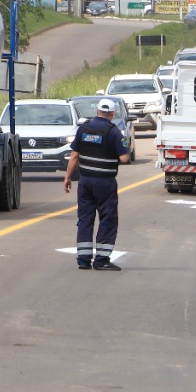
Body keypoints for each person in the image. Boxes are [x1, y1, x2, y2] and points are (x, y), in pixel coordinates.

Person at [63, 98, 130, 270]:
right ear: (112, 114)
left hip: (85, 181)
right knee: (107, 218)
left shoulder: (84, 128)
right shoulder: (113, 132)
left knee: (85, 219)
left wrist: (68, 177)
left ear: (97, 111)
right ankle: (101, 260)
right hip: (105, 183)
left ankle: (83, 259)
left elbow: (74, 155)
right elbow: (124, 158)